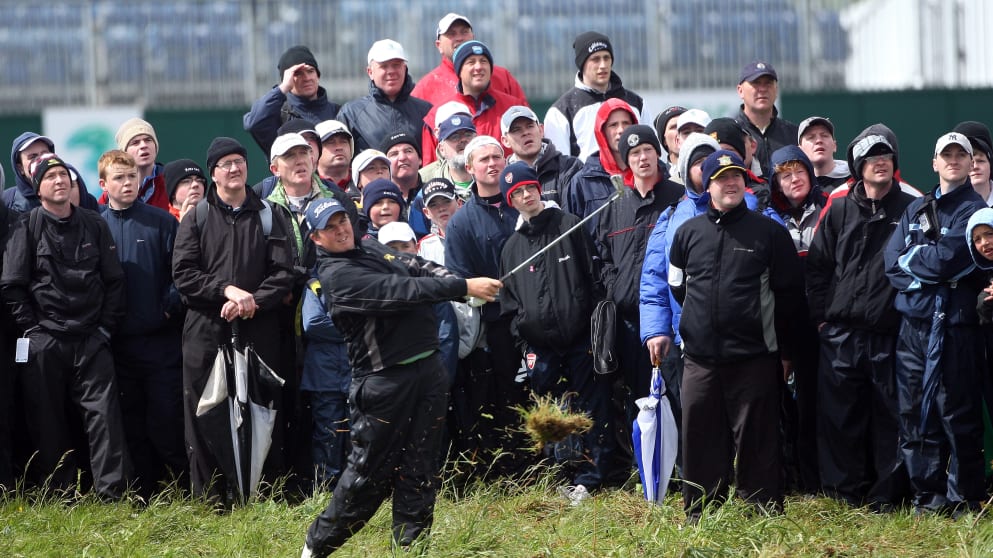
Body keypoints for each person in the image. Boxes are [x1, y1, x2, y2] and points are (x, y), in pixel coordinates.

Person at [300, 197, 502, 557]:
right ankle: (315, 547)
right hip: (383, 383)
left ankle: (409, 550)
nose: (341, 230)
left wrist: (454, 280)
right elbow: (402, 291)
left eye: (342, 221)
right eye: (329, 227)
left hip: (427, 371)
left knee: (420, 470)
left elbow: (415, 265)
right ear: (316, 238)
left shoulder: (369, 246)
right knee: (367, 478)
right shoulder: (337, 276)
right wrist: (463, 287)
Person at [668, 149, 803, 523]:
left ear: (745, 183)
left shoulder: (770, 233)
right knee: (699, 437)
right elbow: (677, 287)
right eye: (721, 178)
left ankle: (761, 510)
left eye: (736, 176)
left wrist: (786, 352)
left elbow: (790, 298)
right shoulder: (687, 233)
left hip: (755, 357)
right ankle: (700, 512)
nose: (730, 183)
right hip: (699, 360)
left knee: (758, 439)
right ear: (707, 186)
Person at [172, 137, 297, 504]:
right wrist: (226, 291)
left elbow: (283, 272)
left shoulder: (270, 214)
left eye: (239, 161)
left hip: (258, 326)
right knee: (206, 411)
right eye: (225, 163)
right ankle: (212, 498)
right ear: (213, 173)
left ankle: (263, 494)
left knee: (262, 407)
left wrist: (250, 302)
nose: (234, 168)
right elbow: (184, 275)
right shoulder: (196, 216)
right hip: (206, 329)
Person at [1, 153, 131, 501]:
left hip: (92, 340)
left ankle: (113, 496)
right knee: (47, 422)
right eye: (51, 177)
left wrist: (104, 330)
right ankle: (60, 495)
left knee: (105, 419)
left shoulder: (94, 224)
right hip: (45, 341)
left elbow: (114, 281)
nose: (60, 181)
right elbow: (12, 285)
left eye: (65, 176)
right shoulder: (26, 226)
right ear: (37, 188)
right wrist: (32, 332)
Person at [805, 129, 915, 510]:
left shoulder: (913, 206)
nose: (880, 162)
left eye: (886, 155)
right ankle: (843, 496)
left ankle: (887, 497)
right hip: (841, 334)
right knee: (839, 417)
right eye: (871, 157)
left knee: (891, 417)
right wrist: (821, 320)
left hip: (891, 334)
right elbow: (818, 268)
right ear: (857, 166)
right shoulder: (837, 207)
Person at [884, 132, 987, 517]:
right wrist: (925, 271)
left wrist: (917, 261)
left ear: (970, 163)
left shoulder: (975, 210)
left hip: (955, 327)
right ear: (934, 163)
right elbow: (891, 262)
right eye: (947, 154)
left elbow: (949, 260)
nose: (954, 160)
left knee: (956, 414)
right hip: (913, 327)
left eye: (961, 155)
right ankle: (927, 500)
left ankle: (964, 501)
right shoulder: (916, 207)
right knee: (914, 415)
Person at [498, 162, 613, 503]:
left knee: (591, 408)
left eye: (529, 188)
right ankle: (560, 476)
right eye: (517, 193)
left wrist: (594, 334)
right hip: (540, 347)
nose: (525, 196)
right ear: (511, 201)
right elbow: (510, 305)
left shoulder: (568, 225)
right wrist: (525, 345)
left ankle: (592, 478)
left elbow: (594, 280)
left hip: (580, 340)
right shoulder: (511, 247)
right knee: (550, 413)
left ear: (539, 189)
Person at [98, 150, 186, 499]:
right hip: (116, 346)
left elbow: (182, 274)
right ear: (103, 184)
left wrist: (168, 309)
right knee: (129, 423)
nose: (127, 183)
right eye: (119, 178)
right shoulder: (95, 224)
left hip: (160, 344)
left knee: (166, 419)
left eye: (132, 177)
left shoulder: (162, 222)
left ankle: (184, 491)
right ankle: (142, 494)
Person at [595, 125, 683, 474]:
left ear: (657, 153)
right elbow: (602, 258)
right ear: (625, 162)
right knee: (636, 396)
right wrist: (614, 286)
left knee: (673, 395)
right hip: (628, 321)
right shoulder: (615, 205)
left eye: (647, 150)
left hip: (667, 320)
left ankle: (679, 469)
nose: (642, 158)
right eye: (634, 154)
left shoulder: (677, 198)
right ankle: (644, 467)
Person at [444, 135, 531, 478]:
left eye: (497, 157)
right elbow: (459, 282)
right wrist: (482, 291)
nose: (492, 164)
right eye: (484, 159)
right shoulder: (462, 222)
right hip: (496, 325)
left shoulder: (526, 205)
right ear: (469, 168)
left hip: (539, 319)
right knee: (505, 398)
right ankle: (513, 471)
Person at [545, 31, 645, 162]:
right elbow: (560, 166)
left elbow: (649, 150)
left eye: (606, 58)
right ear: (582, 64)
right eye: (595, 59)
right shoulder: (561, 111)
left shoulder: (636, 103)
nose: (603, 65)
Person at [421, 41, 521, 166]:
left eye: (483, 61)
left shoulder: (514, 107)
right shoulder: (437, 114)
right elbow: (430, 167)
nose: (478, 67)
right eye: (471, 62)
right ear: (459, 71)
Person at [411, 12, 526, 107]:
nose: (459, 38)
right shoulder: (424, 88)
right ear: (439, 45)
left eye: (464, 32)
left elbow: (526, 120)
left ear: (473, 37)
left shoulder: (502, 77)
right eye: (451, 34)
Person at [337, 40, 432, 154]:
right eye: (384, 66)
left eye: (396, 65)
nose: (391, 71)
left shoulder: (426, 111)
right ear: (370, 72)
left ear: (405, 69)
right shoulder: (351, 113)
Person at [244, 45, 339, 157]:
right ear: (287, 79)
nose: (307, 78)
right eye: (298, 73)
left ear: (318, 76)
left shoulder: (338, 113)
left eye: (310, 71)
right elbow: (254, 122)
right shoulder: (279, 116)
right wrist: (282, 88)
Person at [566, 98, 638, 235]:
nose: (621, 130)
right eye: (613, 125)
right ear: (602, 131)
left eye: (626, 123)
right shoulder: (582, 181)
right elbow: (572, 233)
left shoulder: (654, 171)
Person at [501, 105, 583, 205]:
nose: (525, 132)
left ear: (541, 130)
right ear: (505, 141)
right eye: (516, 130)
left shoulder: (571, 166)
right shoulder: (502, 179)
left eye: (530, 126)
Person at [734, 61, 799, 177]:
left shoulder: (794, 134)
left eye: (768, 83)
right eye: (756, 83)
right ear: (740, 91)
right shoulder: (731, 133)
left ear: (776, 90)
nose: (763, 89)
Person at [105, 118, 170, 211]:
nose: (143, 145)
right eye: (135, 143)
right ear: (124, 153)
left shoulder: (171, 182)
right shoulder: (111, 193)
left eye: (148, 140)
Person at [381, 131, 429, 237]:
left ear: (420, 159)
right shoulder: (379, 200)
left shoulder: (433, 193)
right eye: (394, 154)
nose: (402, 157)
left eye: (408, 151)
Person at [419, 112, 477, 197]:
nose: (463, 140)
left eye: (468, 135)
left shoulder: (491, 174)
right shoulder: (425, 180)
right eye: (455, 137)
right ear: (442, 149)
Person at [797, 116, 850, 194]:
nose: (819, 140)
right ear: (800, 150)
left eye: (824, 135)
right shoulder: (796, 187)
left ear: (834, 146)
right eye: (811, 137)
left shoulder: (855, 180)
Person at [953, 120, 993, 206]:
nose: (975, 166)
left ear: (990, 164)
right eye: (968, 162)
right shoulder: (941, 206)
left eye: (980, 160)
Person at [315, 120, 354, 189]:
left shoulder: (364, 181)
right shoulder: (305, 186)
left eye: (343, 142)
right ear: (317, 150)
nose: (339, 147)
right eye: (331, 142)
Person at [653, 106, 687, 171]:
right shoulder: (657, 175)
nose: (680, 131)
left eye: (684, 126)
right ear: (664, 140)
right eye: (674, 127)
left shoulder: (705, 171)